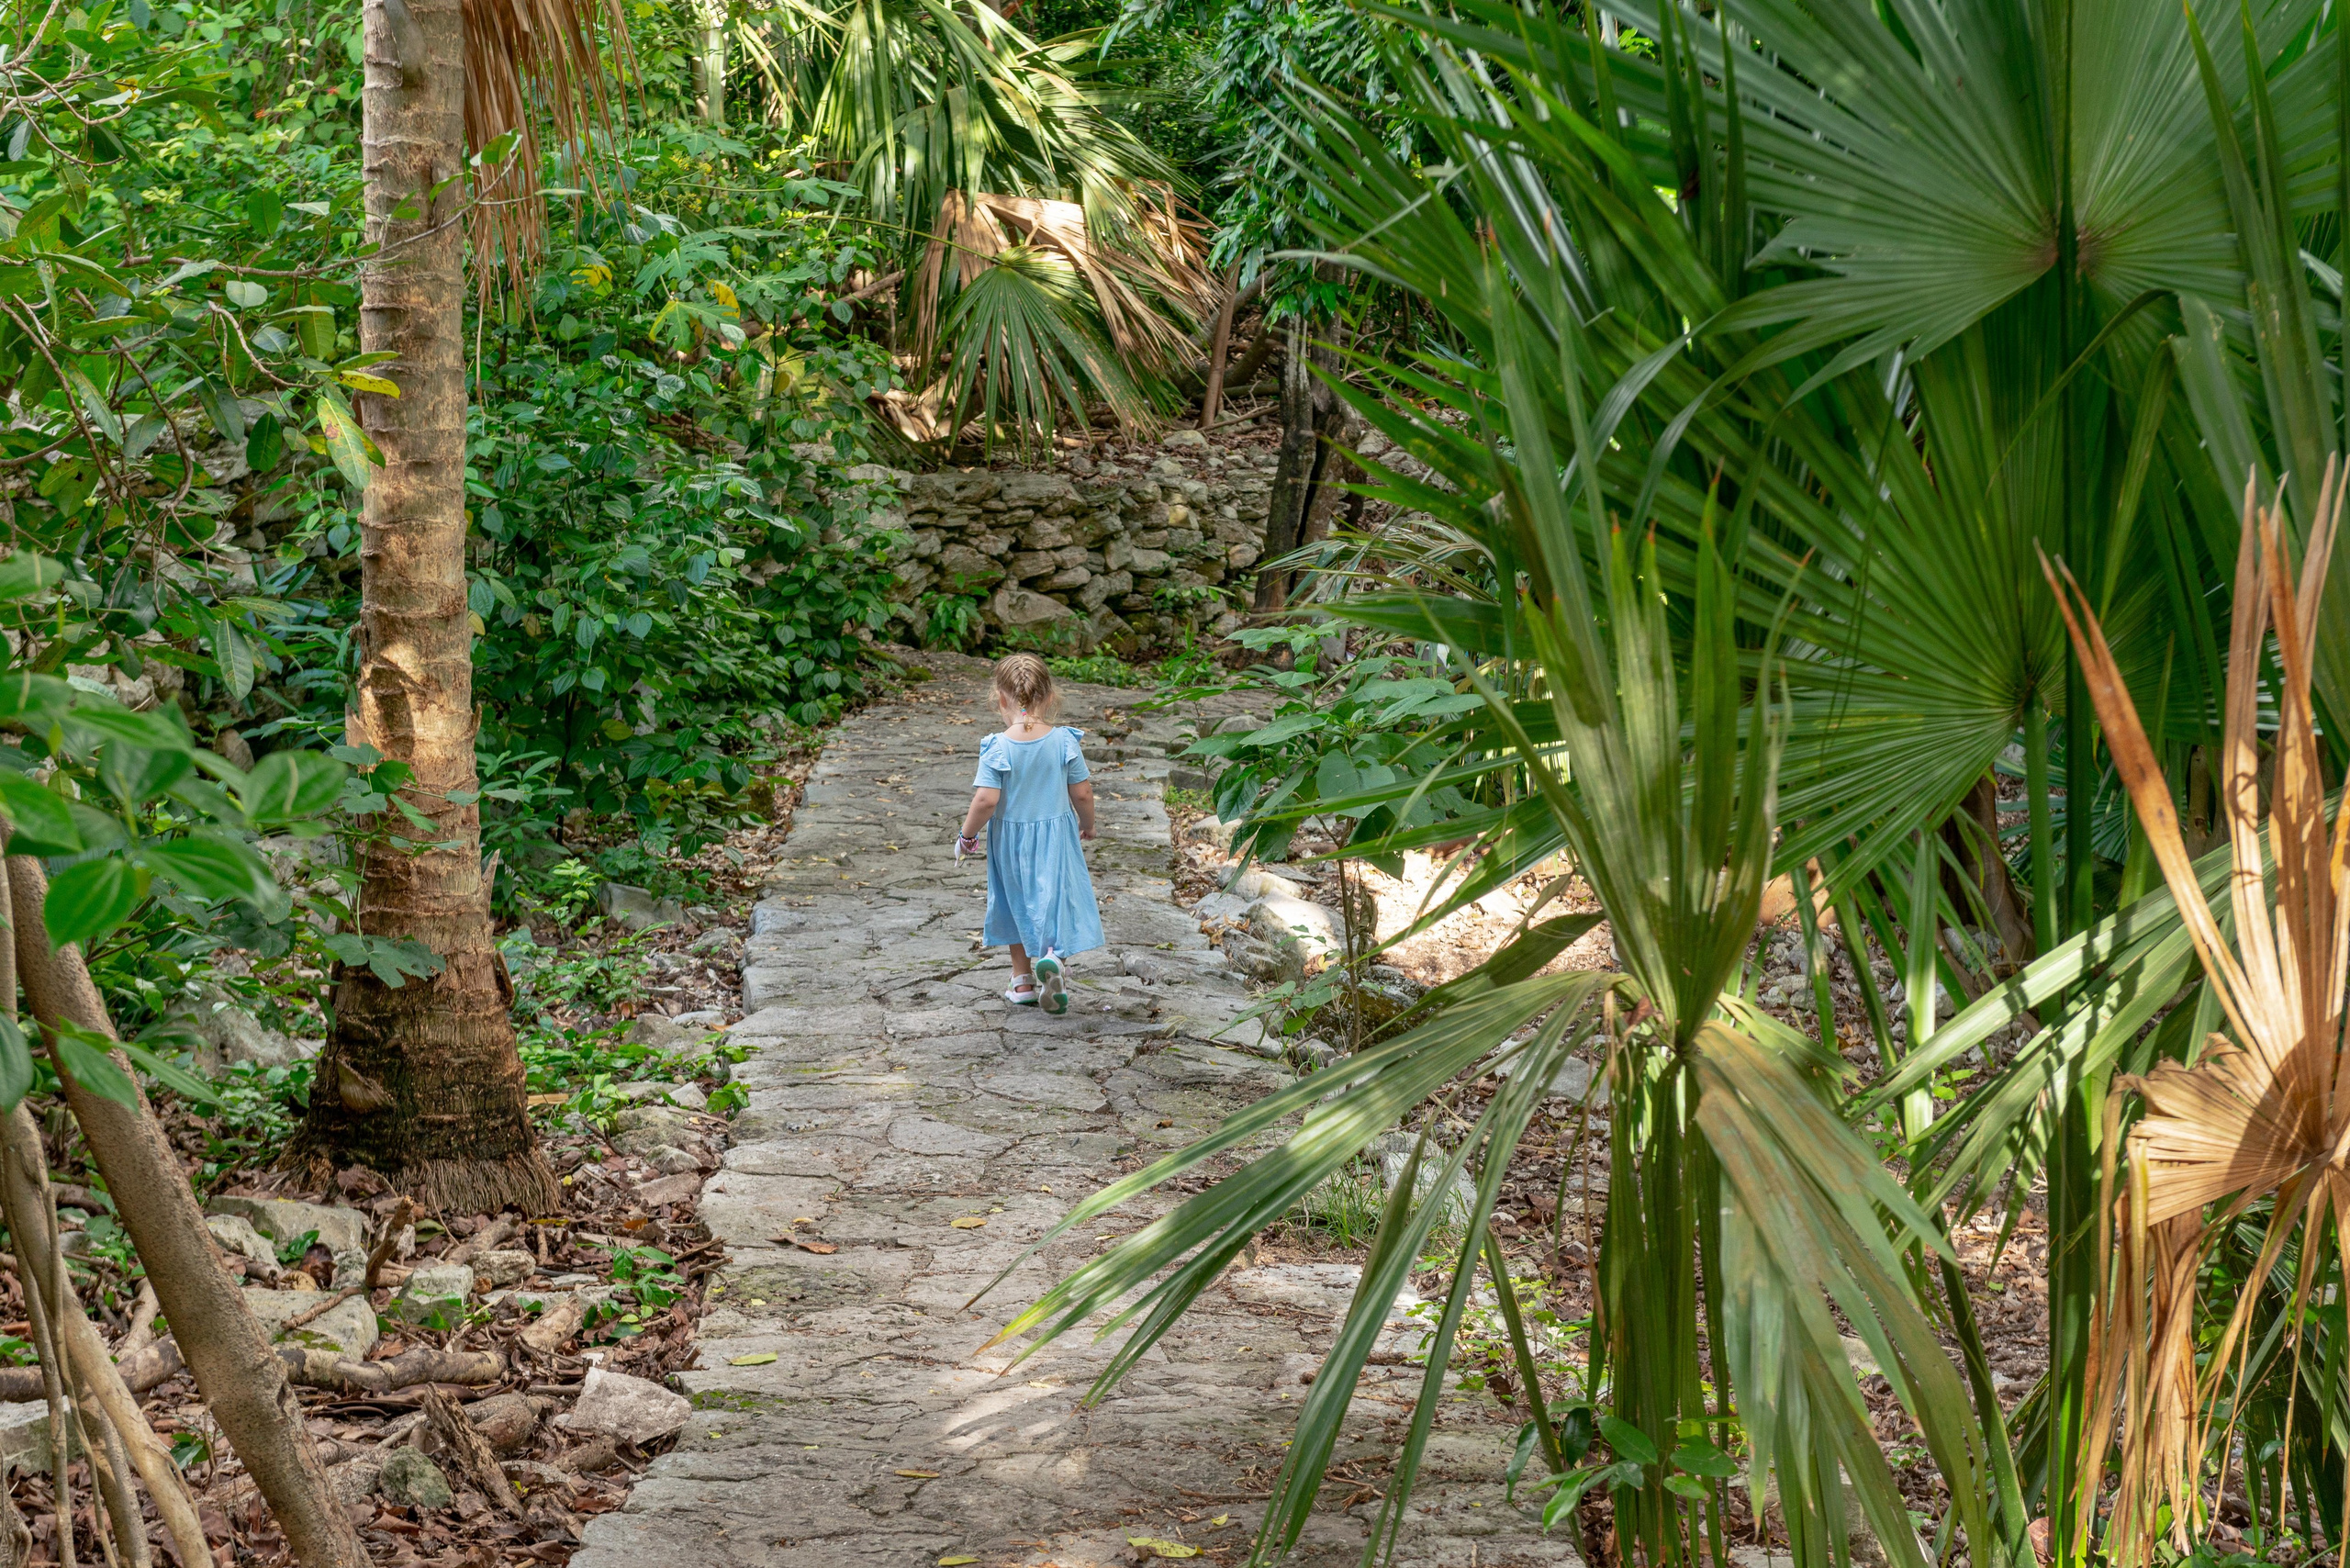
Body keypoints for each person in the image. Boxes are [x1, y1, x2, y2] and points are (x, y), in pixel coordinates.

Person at [957, 654, 1103, 1014]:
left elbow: (986, 801)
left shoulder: (997, 746)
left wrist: (967, 836)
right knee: (1056, 899)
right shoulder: (1064, 741)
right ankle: (1053, 959)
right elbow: (1082, 792)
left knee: (1014, 901)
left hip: (1010, 842)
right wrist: (1088, 825)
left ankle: (1021, 980)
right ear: (1050, 697)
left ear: (1000, 698)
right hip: (1056, 836)